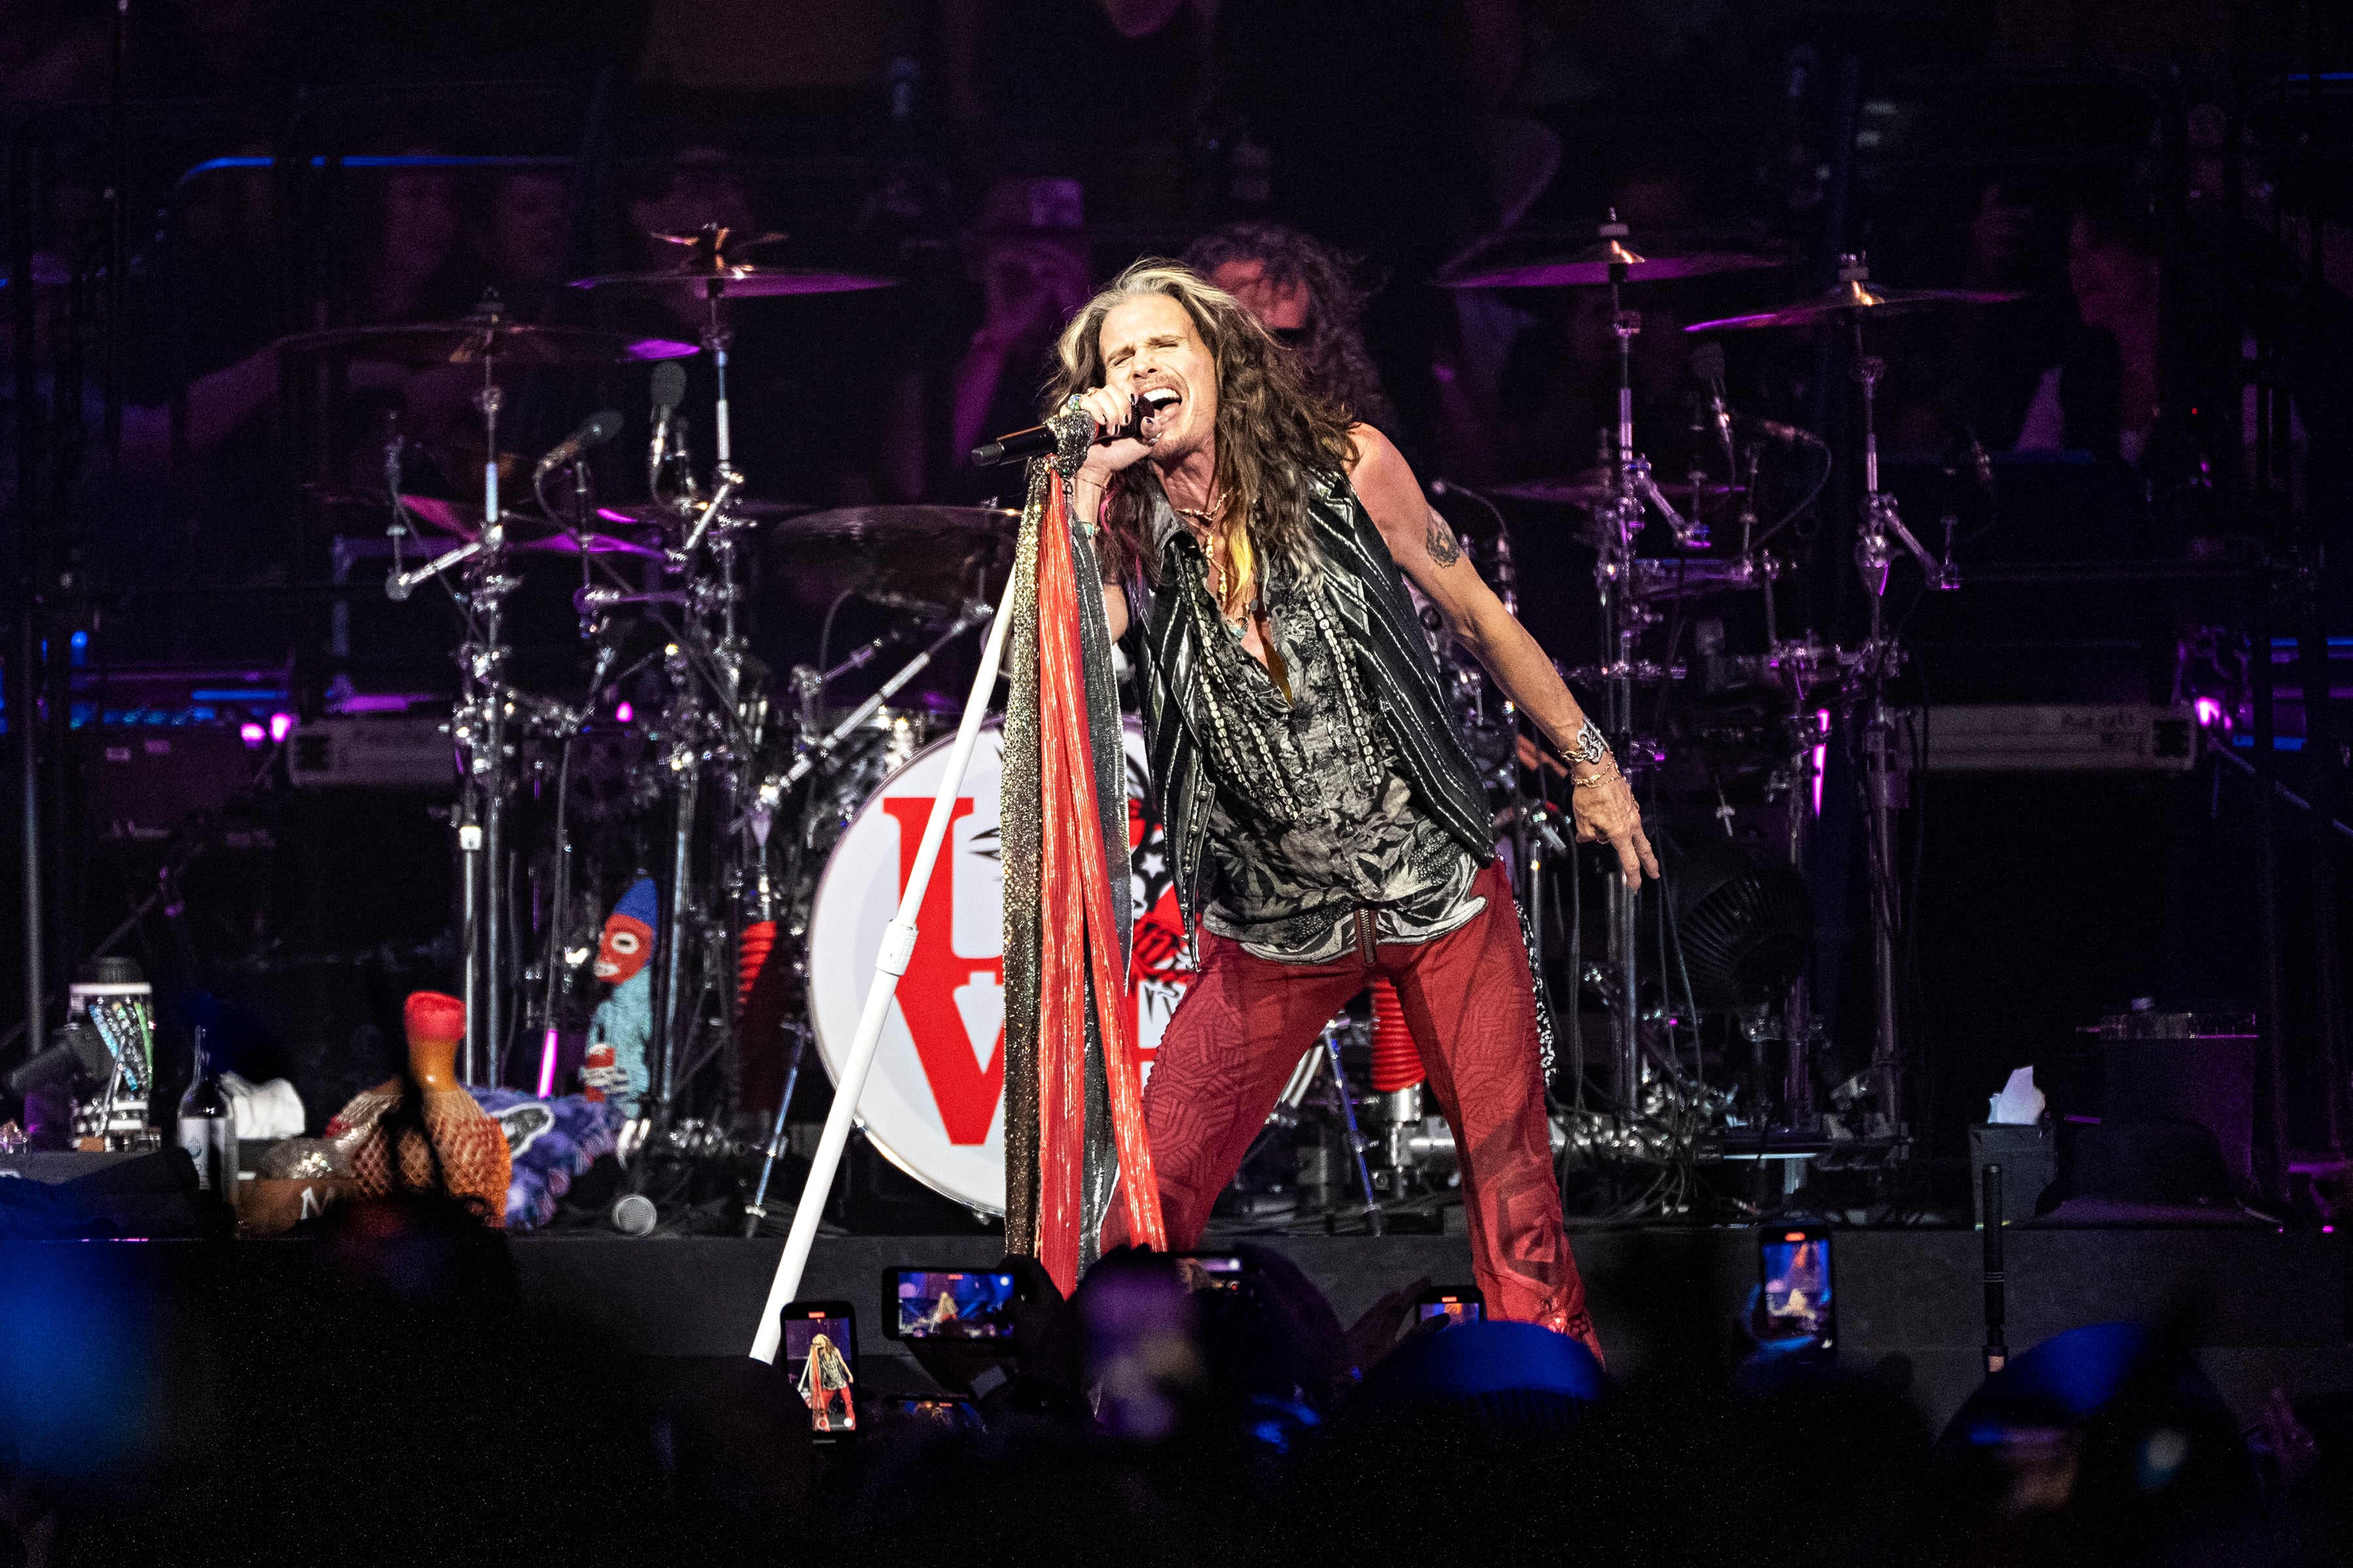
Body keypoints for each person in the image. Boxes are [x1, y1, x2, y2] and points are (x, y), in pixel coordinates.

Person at [1058, 263, 1655, 1354]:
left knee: (1513, 1179)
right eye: (1118, 360)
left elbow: (1475, 612)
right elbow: (1099, 684)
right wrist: (1085, 492)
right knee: (1149, 1189)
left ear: (1220, 360)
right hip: (1275, 922)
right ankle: (1129, 1422)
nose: (1141, 370)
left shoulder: (1351, 464)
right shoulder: (1127, 524)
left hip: (1436, 889)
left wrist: (1591, 761)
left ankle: (1557, 1414)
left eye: (1162, 347)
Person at [1181, 221, 1399, 436]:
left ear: (1316, 341)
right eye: (1240, 337)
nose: (1263, 355)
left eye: (1283, 338)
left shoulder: (1358, 448)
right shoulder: (1167, 438)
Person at [797, 1331, 855, 1432]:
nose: (820, 1344)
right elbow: (814, 1368)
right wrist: (813, 1350)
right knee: (822, 1407)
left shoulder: (835, 1351)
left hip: (841, 1382)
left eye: (821, 1342)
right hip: (828, 1385)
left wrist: (850, 1375)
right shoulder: (818, 1355)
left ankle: (852, 1427)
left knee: (848, 1404)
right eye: (818, 1343)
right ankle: (824, 1428)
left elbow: (842, 1363)